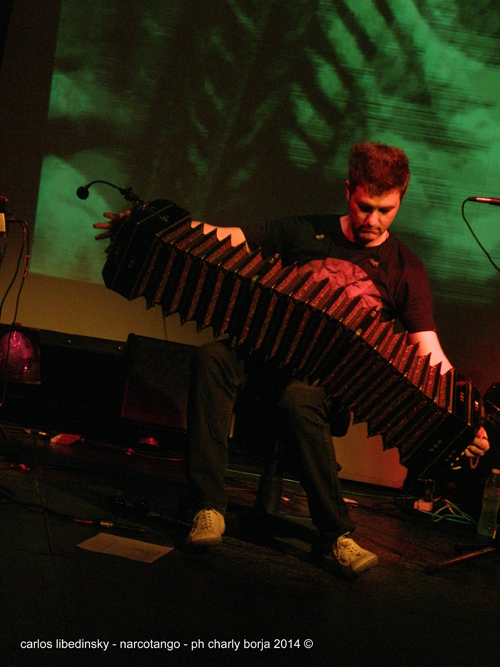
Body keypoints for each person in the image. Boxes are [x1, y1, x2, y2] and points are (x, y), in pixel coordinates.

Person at [94, 142, 490, 578]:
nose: (373, 220)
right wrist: (147, 223)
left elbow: (429, 352)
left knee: (299, 398)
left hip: (329, 386)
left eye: (386, 210)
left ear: (401, 200)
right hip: (266, 361)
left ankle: (336, 534)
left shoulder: (405, 269)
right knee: (212, 357)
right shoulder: (303, 231)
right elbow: (222, 237)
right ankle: (207, 508)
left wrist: (466, 422)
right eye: (364, 207)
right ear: (348, 191)